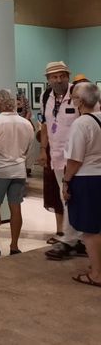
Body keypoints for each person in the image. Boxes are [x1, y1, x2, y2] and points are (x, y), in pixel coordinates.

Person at [39, 62, 86, 259]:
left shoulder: (78, 94)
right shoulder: (45, 96)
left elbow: (88, 121)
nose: (58, 80)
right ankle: (77, 239)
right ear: (48, 79)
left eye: (61, 76)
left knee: (74, 197)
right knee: (64, 196)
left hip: (78, 157)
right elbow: (44, 124)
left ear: (68, 75)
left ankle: (71, 239)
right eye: (54, 77)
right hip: (57, 156)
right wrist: (43, 150)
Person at [0, 89, 34, 256]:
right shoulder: (26, 123)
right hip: (19, 170)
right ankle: (14, 245)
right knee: (16, 208)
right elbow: (29, 148)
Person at [62, 82, 101, 287]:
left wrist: (66, 181)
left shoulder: (82, 123)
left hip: (87, 179)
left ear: (81, 101)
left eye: (74, 97)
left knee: (90, 230)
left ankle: (96, 273)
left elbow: (75, 159)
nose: (72, 100)